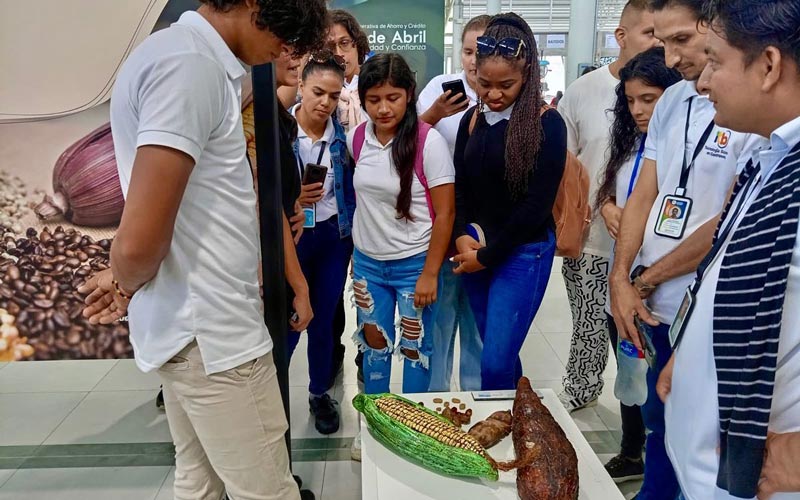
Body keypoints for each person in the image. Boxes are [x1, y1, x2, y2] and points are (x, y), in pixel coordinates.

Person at [79, 1, 328, 498]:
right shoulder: (188, 67)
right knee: (266, 490)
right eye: (287, 31)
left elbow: (194, 203)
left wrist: (125, 277)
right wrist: (125, 276)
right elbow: (141, 237)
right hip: (214, 337)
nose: (289, 49)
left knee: (199, 483)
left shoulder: (187, 58)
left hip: (192, 328)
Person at [608, 0, 765, 498]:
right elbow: (644, 193)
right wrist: (621, 278)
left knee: (703, 436)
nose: (669, 57)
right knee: (659, 421)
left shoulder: (748, 108)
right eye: (660, 39)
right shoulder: (674, 102)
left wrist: (647, 277)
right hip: (651, 302)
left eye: (681, 40)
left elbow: (731, 218)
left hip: (707, 305)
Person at [657, 1, 800, 499]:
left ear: (768, 66)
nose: (702, 81)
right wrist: (691, 348)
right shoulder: (772, 157)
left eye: (714, 61)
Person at [452, 13, 566, 391]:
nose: (494, 94)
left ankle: (500, 434)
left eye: (507, 85)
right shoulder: (472, 118)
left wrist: (487, 256)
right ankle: (521, 421)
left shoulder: (546, 123)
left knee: (495, 360)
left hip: (523, 251)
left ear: (528, 74)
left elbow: (536, 206)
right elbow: (461, 187)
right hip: (476, 247)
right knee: (497, 353)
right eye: (484, 83)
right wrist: (461, 236)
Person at [349, 52, 455, 458]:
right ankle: (377, 428)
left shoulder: (429, 144)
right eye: (374, 99)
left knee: (415, 353)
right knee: (374, 350)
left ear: (409, 95)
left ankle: (415, 433)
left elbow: (445, 213)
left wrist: (430, 273)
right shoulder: (359, 138)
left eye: (392, 97)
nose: (383, 107)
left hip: (415, 266)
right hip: (368, 266)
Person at [556, 0, 658, 413]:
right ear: (622, 36)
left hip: (652, 247)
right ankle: (582, 386)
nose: (660, 43)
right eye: (651, 33)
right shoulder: (584, 91)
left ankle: (644, 416)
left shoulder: (676, 94)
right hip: (593, 239)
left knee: (639, 335)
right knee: (588, 325)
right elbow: (566, 165)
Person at [595, 46, 682, 484]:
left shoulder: (683, 145)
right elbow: (614, 188)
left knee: (660, 396)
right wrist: (608, 205)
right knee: (629, 375)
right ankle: (632, 452)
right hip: (623, 281)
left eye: (649, 99)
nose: (639, 110)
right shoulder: (631, 142)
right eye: (630, 101)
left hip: (657, 287)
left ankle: (660, 476)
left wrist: (644, 281)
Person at [416, 13, 491, 392]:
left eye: (483, 51)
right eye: (467, 51)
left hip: (485, 224)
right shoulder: (438, 89)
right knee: (440, 318)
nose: (475, 61)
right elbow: (408, 140)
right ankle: (436, 398)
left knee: (478, 322)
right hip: (442, 220)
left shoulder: (507, 94)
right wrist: (435, 114)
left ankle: (477, 398)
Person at [287, 51, 355, 435]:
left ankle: (319, 393)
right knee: (290, 318)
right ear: (300, 86)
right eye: (317, 92)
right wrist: (295, 197)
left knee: (325, 319)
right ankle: (274, 390)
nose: (325, 103)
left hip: (332, 237)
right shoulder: (279, 133)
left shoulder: (343, 136)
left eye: (333, 95)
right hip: (292, 236)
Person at [326, 9, 372, 387]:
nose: (339, 52)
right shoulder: (314, 94)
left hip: (374, 208)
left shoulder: (376, 88)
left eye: (344, 43)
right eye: (329, 46)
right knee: (329, 291)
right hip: (330, 209)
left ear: (357, 45)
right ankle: (330, 362)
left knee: (366, 289)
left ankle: (366, 359)